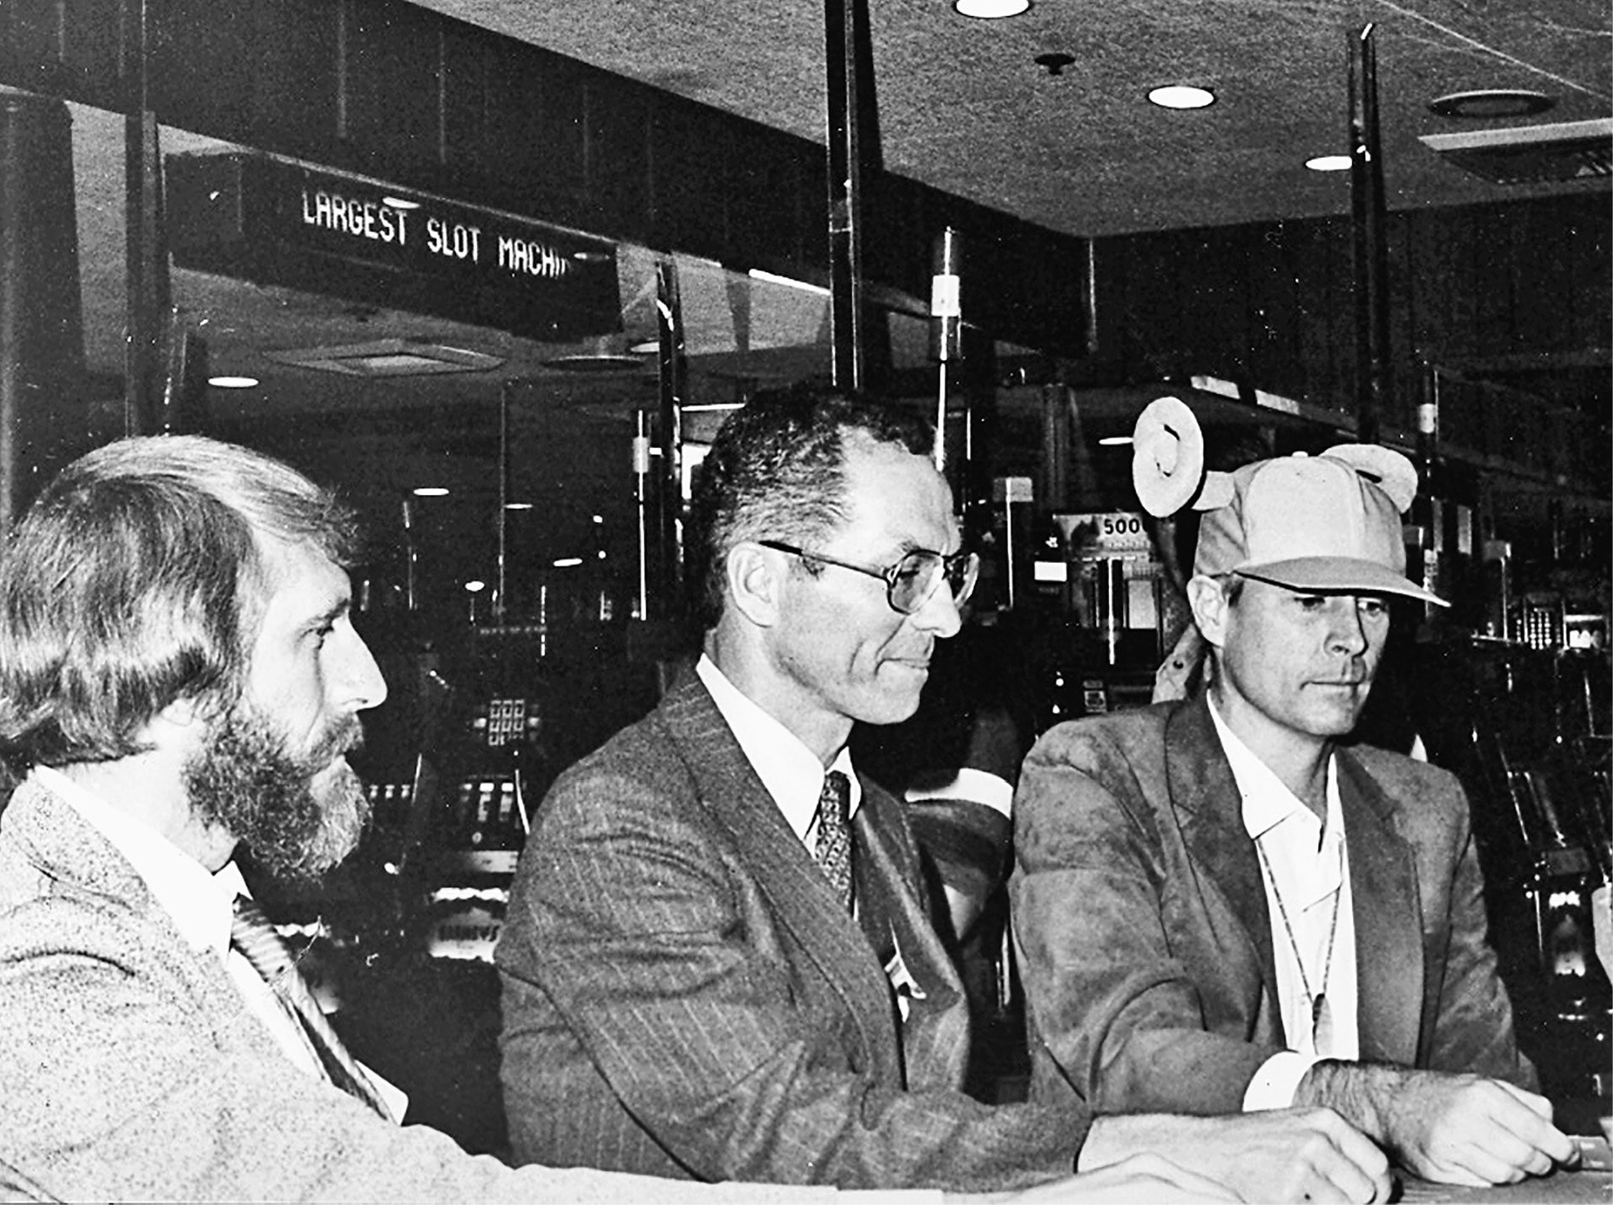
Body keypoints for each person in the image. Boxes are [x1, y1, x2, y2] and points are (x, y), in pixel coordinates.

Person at [0, 433, 1082, 1205]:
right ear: (173, 677)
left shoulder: (188, 916)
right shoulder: (40, 963)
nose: (371, 684)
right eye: (318, 633)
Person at [496, 386, 1392, 1202]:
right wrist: (1127, 1146)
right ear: (759, 582)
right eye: (903, 575)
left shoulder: (872, 819)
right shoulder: (622, 821)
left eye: (947, 573)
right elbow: (780, 1130)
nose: (944, 617)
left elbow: (906, 1118)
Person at [1010, 443, 1579, 1189]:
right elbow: (1127, 1054)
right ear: (1213, 608)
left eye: (1371, 603)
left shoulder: (1424, 810)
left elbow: (1478, 1069)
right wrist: (1382, 1101)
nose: (1350, 637)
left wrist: (1506, 1133)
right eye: (1310, 600)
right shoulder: (1095, 774)